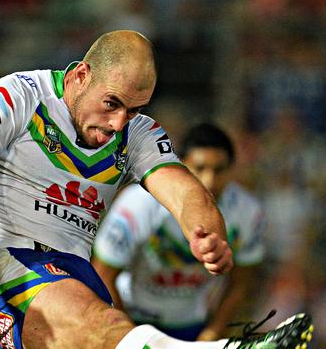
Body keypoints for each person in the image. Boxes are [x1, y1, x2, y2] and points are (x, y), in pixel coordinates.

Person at [0, 30, 313, 348]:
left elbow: (183, 189)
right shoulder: (17, 97)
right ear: (81, 75)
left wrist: (205, 230)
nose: (120, 122)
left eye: (135, 109)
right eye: (112, 103)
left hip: (74, 272)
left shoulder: (137, 133)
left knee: (109, 333)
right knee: (104, 327)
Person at [93, 123, 265, 341]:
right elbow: (103, 274)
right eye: (200, 168)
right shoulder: (139, 203)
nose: (209, 180)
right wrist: (133, 339)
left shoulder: (247, 212)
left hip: (192, 327)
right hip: (132, 319)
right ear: (181, 165)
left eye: (219, 170)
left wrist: (210, 336)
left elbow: (241, 283)